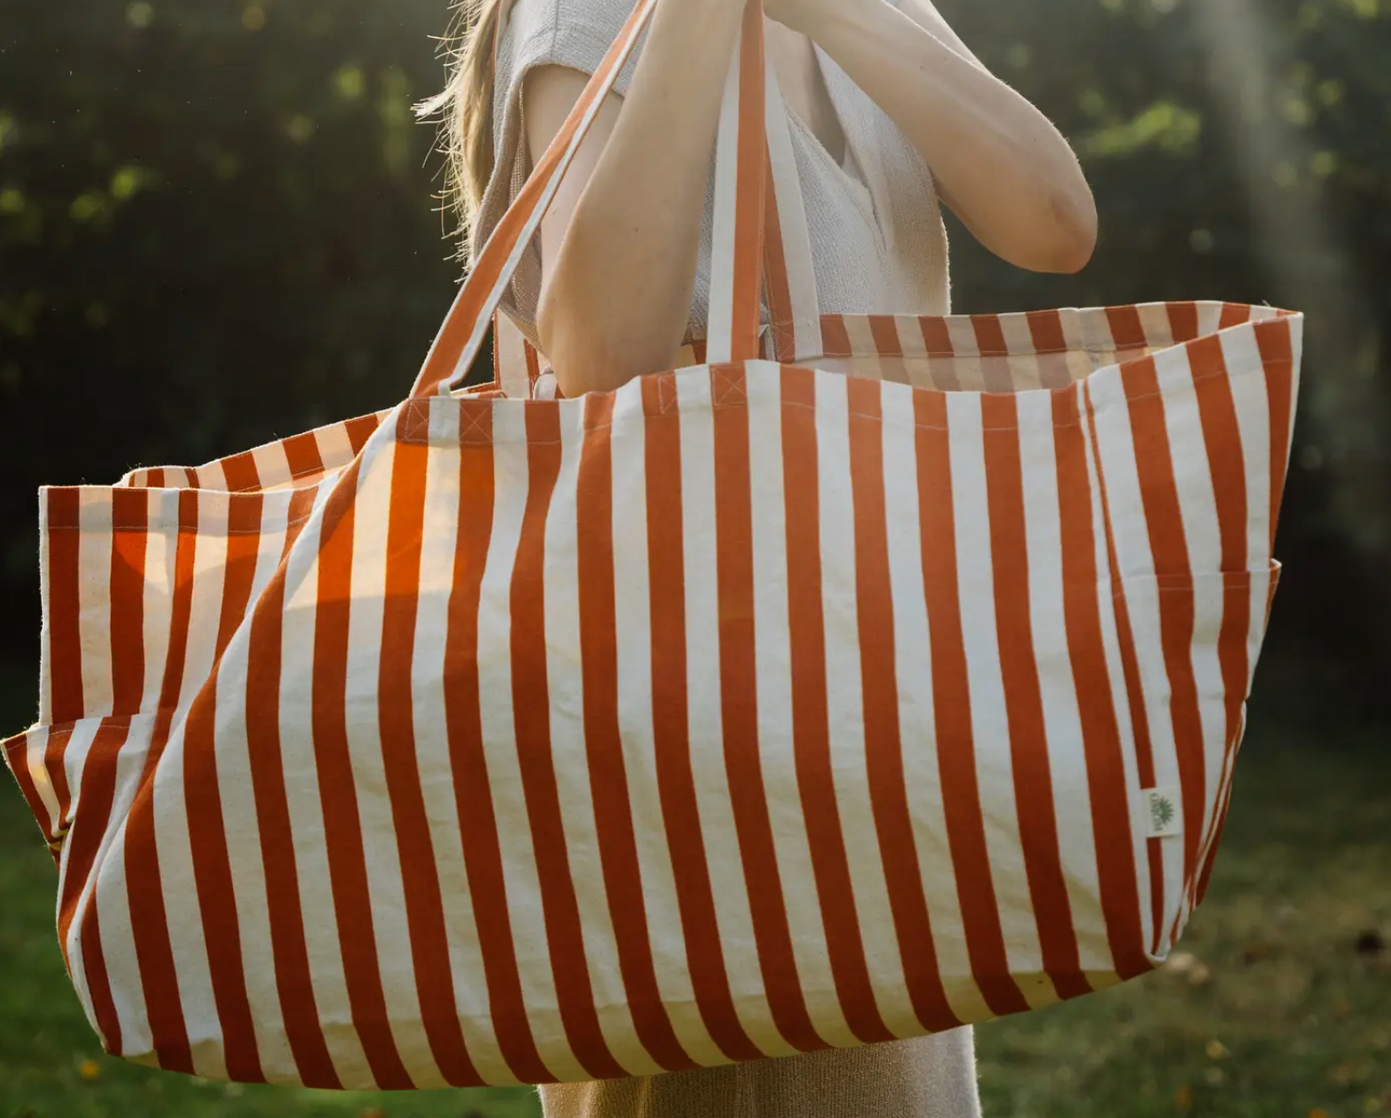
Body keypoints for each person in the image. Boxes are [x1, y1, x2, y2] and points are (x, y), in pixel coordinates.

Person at [421, 0, 1097, 1113]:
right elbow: (600, 357)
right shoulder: (585, 15)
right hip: (702, 741)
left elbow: (1052, 225)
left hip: (872, 706)